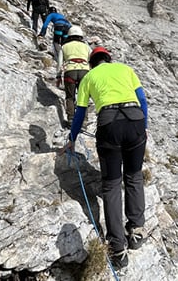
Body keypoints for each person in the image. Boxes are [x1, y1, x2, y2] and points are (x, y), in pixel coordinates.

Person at [60, 47, 149, 269]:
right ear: (109, 59)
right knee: (134, 176)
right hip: (135, 120)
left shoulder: (89, 77)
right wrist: (142, 127)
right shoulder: (126, 69)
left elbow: (80, 112)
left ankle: (118, 249)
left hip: (109, 124)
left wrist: (72, 138)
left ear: (91, 63)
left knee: (111, 185)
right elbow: (143, 101)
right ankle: (136, 231)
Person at [55, 25, 91, 125]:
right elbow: (91, 59)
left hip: (70, 71)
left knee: (70, 97)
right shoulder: (86, 47)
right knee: (83, 96)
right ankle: (84, 120)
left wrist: (58, 75)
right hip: (84, 71)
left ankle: (71, 119)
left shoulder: (64, 46)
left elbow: (60, 62)